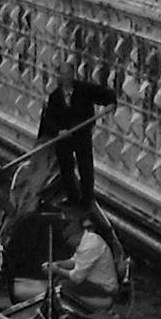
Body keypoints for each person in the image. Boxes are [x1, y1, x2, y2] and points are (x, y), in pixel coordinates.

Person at [36, 58, 116, 208]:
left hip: (81, 134)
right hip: (64, 137)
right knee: (66, 167)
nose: (66, 77)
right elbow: (49, 119)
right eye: (63, 74)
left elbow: (106, 95)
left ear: (72, 75)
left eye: (68, 74)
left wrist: (110, 104)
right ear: (59, 76)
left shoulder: (84, 90)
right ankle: (72, 197)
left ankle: (87, 200)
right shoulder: (55, 97)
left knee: (85, 167)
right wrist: (58, 131)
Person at [44, 207, 118, 309]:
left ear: (72, 236)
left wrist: (57, 270)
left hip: (104, 288)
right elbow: (74, 261)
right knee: (59, 280)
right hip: (92, 284)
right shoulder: (85, 242)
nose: (68, 244)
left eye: (67, 240)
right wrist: (57, 264)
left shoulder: (90, 246)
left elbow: (77, 278)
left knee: (63, 285)